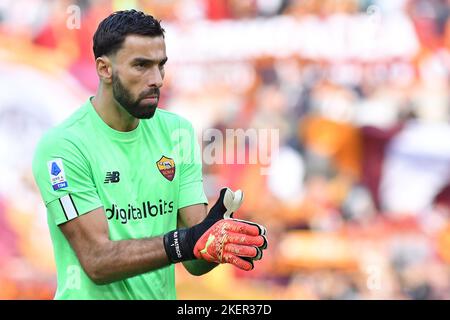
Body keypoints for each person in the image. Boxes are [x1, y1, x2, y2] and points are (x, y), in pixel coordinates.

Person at [32, 9, 267, 300]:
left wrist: (213, 233)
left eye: (160, 66)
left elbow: (193, 260)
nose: (156, 79)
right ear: (104, 69)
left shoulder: (177, 132)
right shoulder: (63, 148)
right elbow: (97, 261)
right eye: (141, 66)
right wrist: (185, 241)